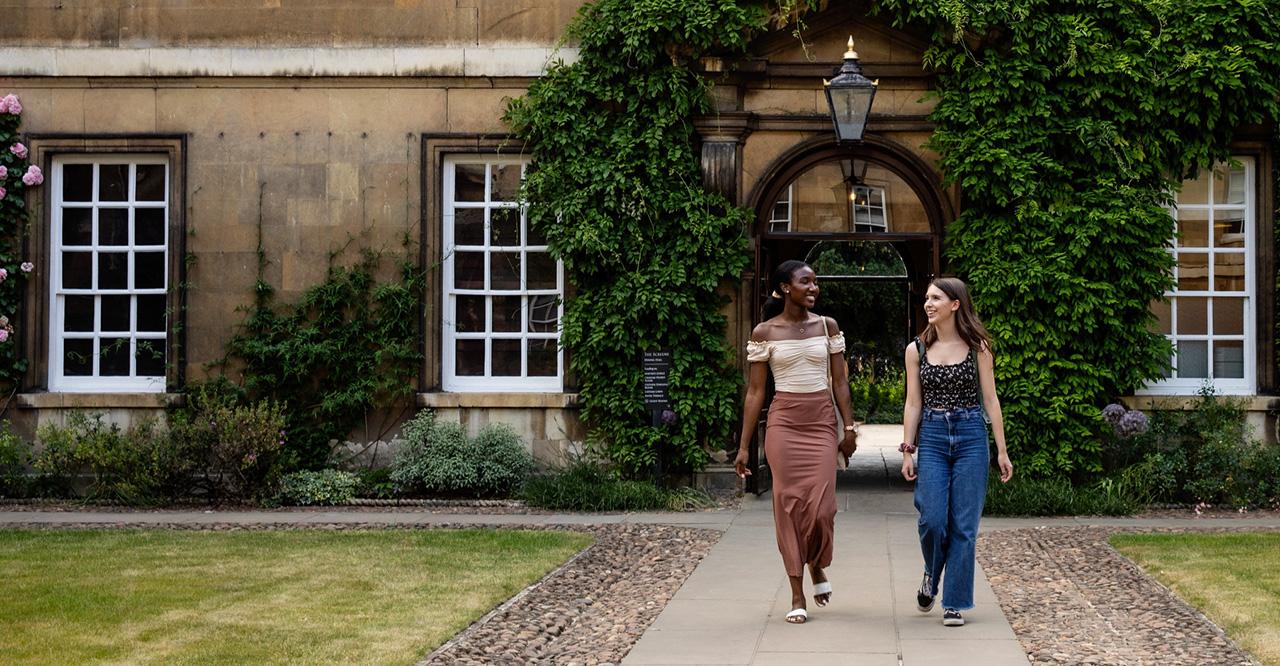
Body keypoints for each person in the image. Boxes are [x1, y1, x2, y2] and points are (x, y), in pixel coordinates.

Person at [734, 260, 858, 625]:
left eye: (815, 282)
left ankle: (817, 564)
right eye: (806, 282)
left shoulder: (827, 326)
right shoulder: (764, 332)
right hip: (784, 424)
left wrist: (848, 429)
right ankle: (796, 591)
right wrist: (744, 446)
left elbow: (840, 383)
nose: (814, 288)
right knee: (788, 506)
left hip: (819, 421)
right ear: (786, 287)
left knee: (821, 509)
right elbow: (756, 392)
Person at [900, 277, 1013, 627]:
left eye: (936, 298)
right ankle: (931, 574)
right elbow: (913, 403)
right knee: (932, 519)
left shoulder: (978, 347)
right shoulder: (915, 350)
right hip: (933, 436)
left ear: (955, 304)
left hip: (970, 436)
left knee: (964, 526)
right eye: (927, 297)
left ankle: (954, 601)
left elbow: (991, 400)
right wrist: (908, 449)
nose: (928, 304)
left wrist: (1002, 451)